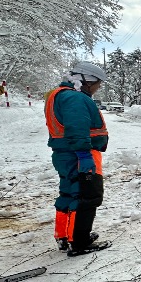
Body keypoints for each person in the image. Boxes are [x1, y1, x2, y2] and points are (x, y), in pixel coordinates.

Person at [45, 62, 111, 256]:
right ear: (86, 80)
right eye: (97, 84)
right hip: (79, 155)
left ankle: (64, 236)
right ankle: (80, 241)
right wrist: (84, 155)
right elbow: (77, 129)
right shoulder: (75, 99)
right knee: (87, 195)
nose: (97, 88)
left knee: (69, 193)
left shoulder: (58, 95)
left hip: (64, 154)